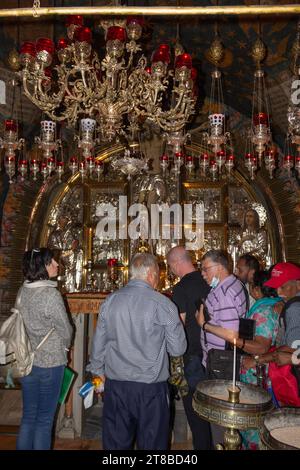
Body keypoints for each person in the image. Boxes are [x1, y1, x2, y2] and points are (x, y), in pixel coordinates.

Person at [87, 253, 187, 450]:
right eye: (158, 274)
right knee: (152, 447)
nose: (158, 279)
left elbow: (98, 344)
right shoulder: (163, 304)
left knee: (116, 447)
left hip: (117, 386)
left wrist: (97, 373)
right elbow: (178, 348)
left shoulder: (111, 301)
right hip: (150, 389)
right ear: (150, 274)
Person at [16, 248, 73, 450]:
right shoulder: (50, 294)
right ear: (42, 266)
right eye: (52, 262)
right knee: (44, 421)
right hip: (50, 364)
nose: (57, 265)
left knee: (29, 417)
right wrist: (66, 346)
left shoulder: (23, 291)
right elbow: (65, 329)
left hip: (27, 361)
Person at [198, 249, 247, 448]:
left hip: (222, 364)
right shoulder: (233, 283)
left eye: (205, 269)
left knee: (220, 421)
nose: (202, 274)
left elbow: (232, 335)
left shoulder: (226, 292)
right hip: (225, 361)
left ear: (219, 267)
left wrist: (204, 324)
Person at [167, 246, 211, 450]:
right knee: (214, 411)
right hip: (214, 354)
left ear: (176, 263)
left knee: (196, 414)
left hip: (192, 357)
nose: (170, 270)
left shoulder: (181, 287)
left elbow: (179, 325)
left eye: (170, 266)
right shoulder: (209, 279)